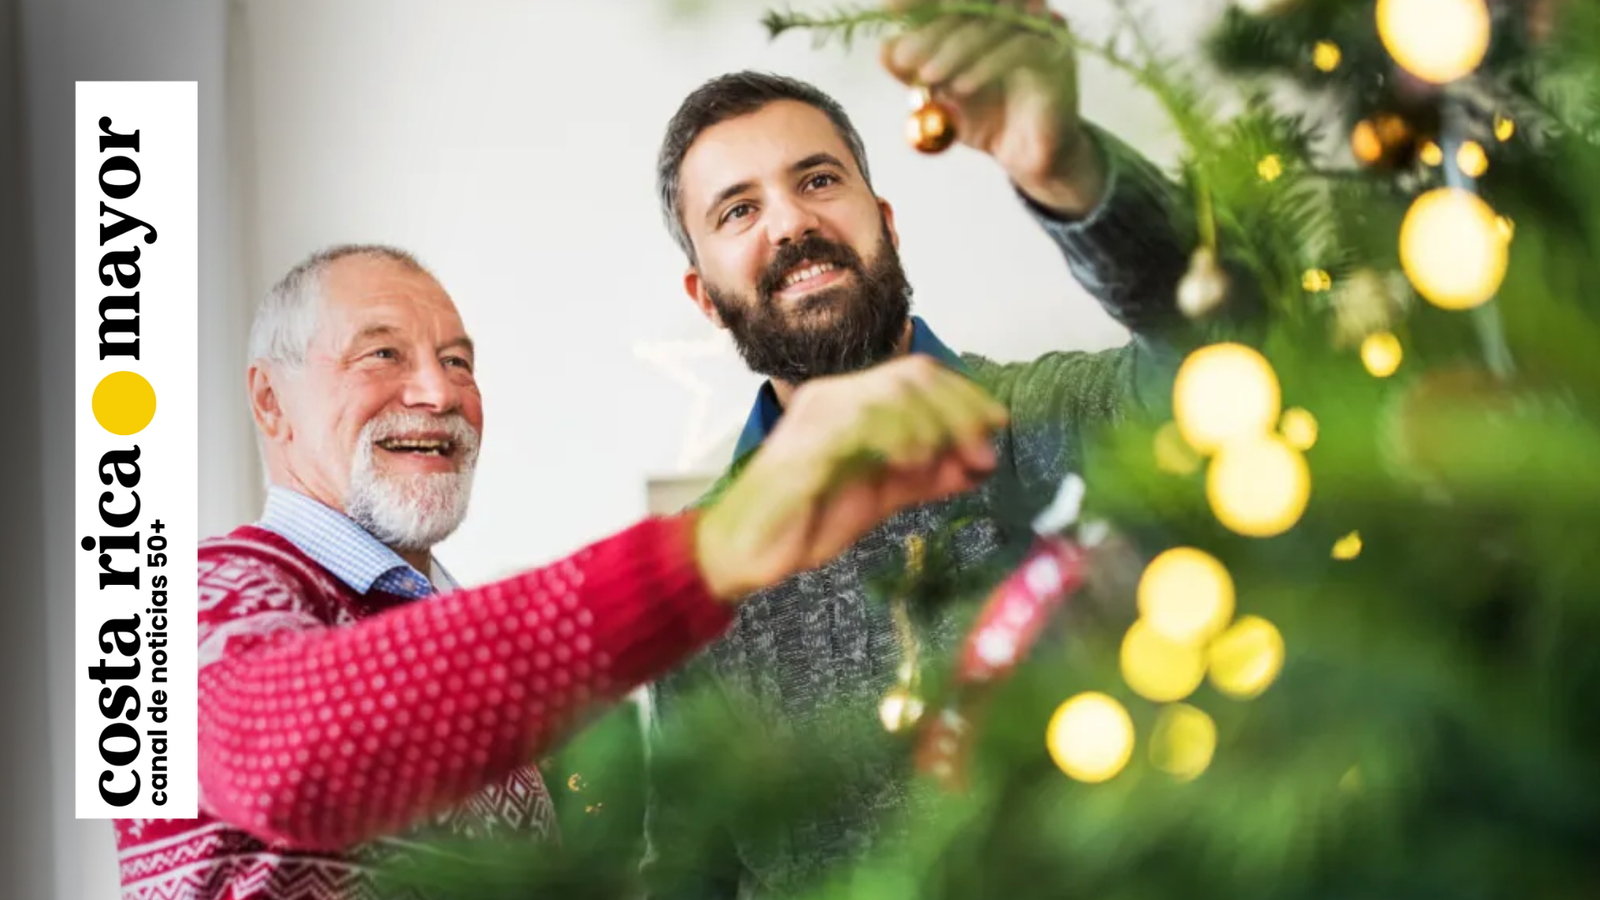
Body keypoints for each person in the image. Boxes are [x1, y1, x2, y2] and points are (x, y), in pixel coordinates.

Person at [110, 243, 1010, 900]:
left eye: (458, 361)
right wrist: (709, 550)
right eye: (382, 353)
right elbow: (279, 755)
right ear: (270, 399)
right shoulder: (172, 599)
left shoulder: (465, 652)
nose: (438, 392)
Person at [642, 4, 1260, 898]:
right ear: (705, 298)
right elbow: (689, 873)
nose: (790, 223)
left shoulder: (1060, 416)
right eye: (739, 209)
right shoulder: (695, 572)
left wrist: (1068, 172)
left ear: (884, 219)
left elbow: (1223, 352)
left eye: (818, 181)